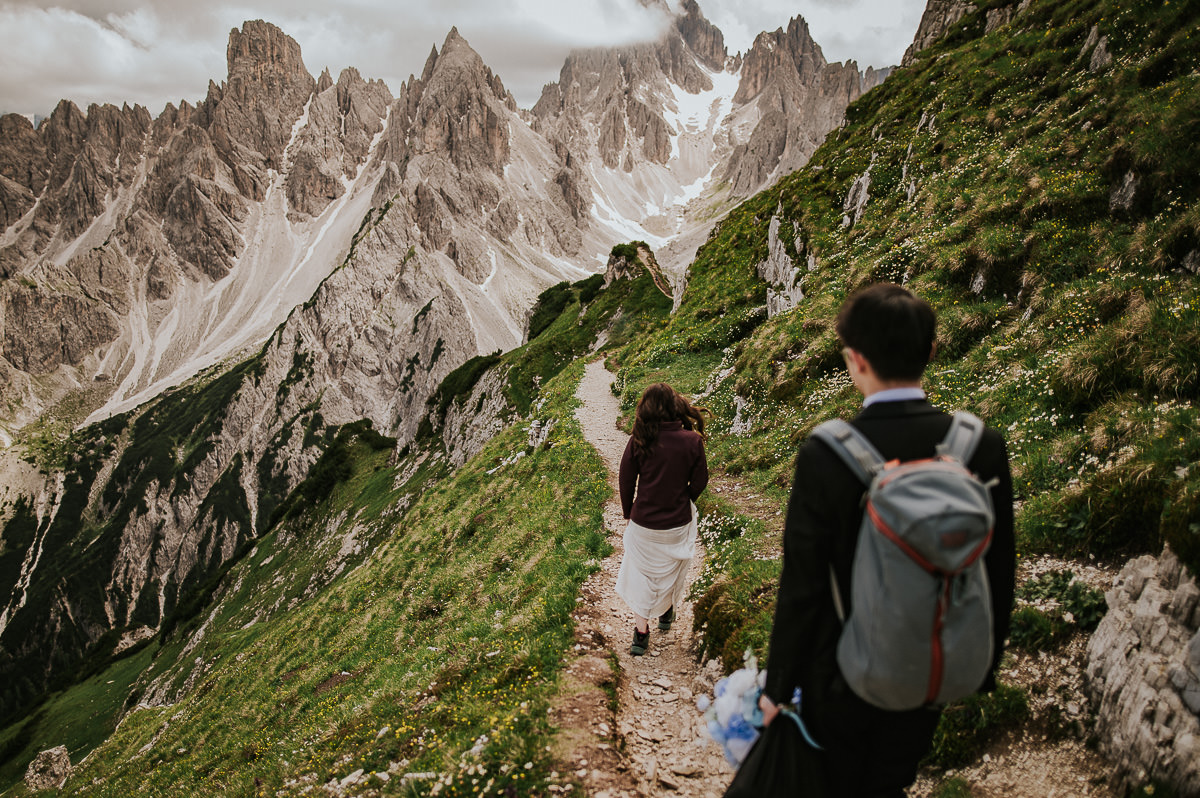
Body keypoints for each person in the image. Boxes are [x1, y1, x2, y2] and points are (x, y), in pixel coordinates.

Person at [757, 283, 1015, 796]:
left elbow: (803, 584)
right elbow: (999, 565)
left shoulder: (827, 452)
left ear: (855, 360)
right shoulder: (978, 445)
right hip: (937, 666)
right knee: (892, 777)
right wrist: (982, 662)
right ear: (932, 351)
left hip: (844, 672)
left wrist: (777, 688)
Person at [616, 383, 709, 656]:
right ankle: (667, 612)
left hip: (644, 522)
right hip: (677, 522)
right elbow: (701, 480)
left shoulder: (639, 439)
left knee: (640, 574)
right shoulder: (692, 441)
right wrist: (686, 500)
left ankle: (640, 634)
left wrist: (628, 511)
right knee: (672, 567)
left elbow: (625, 479)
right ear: (674, 406)